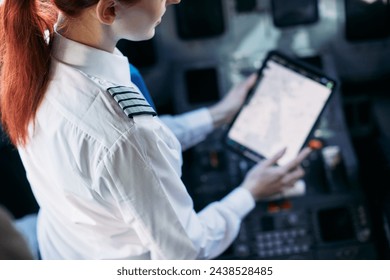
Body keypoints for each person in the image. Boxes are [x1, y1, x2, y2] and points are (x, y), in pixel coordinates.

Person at [0, 0, 311, 259]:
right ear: (109, 10)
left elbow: (122, 152)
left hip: (68, 248)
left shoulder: (37, 52)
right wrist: (250, 191)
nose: (175, 0)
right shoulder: (126, 131)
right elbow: (188, 253)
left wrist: (217, 115)